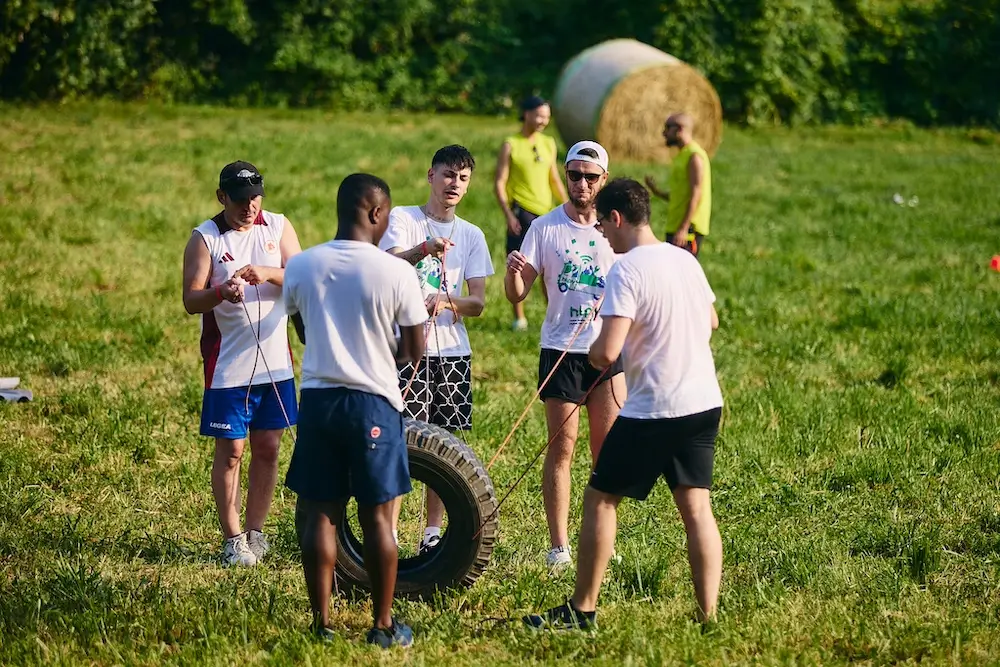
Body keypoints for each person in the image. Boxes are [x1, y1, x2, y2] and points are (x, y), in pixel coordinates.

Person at [524, 178, 723, 630]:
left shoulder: (627, 270)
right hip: (704, 401)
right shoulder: (684, 259)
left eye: (604, 229)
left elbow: (606, 353)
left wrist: (596, 350)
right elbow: (710, 320)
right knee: (696, 509)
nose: (603, 240)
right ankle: (707, 617)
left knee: (599, 499)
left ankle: (583, 610)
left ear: (615, 218)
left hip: (655, 407)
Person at [282, 173, 427, 648]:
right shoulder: (396, 272)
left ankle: (321, 624)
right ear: (376, 213)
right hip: (374, 403)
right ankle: (383, 627)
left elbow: (303, 330)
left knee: (319, 514)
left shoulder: (302, 266)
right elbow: (414, 350)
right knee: (378, 520)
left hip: (320, 401)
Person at [504, 140, 626, 573]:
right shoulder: (545, 227)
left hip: (606, 351)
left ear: (603, 180)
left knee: (606, 451)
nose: (581, 184)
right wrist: (514, 276)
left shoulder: (616, 227)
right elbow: (518, 292)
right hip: (561, 349)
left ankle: (602, 537)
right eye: (574, 175)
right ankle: (558, 547)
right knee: (563, 448)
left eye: (590, 177)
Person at [182, 161, 302, 567]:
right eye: (239, 199)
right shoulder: (206, 237)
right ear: (222, 197)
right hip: (228, 366)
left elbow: (303, 276)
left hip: (276, 364)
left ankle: (256, 531)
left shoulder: (279, 227)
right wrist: (221, 292)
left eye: (255, 197)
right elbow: (190, 299)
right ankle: (233, 539)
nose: (249, 206)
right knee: (231, 451)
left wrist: (268, 272)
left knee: (267, 448)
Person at [379, 145, 494, 554]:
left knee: (444, 446)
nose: (454, 184)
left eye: (462, 178)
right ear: (431, 176)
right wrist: (423, 250)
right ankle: (387, 533)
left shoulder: (472, 235)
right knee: (400, 441)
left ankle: (432, 533)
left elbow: (478, 302)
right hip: (407, 350)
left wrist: (447, 302)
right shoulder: (404, 219)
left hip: (452, 353)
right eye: (447, 175)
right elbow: (388, 265)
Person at [494, 95, 568, 331]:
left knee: (550, 265)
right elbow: (499, 181)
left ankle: (553, 314)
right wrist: (509, 215)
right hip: (522, 212)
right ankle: (519, 317)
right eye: (539, 115)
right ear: (525, 114)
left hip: (545, 213)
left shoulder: (549, 143)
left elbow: (553, 177)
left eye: (547, 117)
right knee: (520, 265)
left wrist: (568, 205)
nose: (543, 121)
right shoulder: (511, 144)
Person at [644, 113, 713, 257]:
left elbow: (696, 194)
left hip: (687, 230)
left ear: (679, 129)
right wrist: (656, 191)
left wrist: (684, 228)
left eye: (667, 128)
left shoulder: (694, 156)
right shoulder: (682, 155)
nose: (664, 133)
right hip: (676, 225)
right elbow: (681, 195)